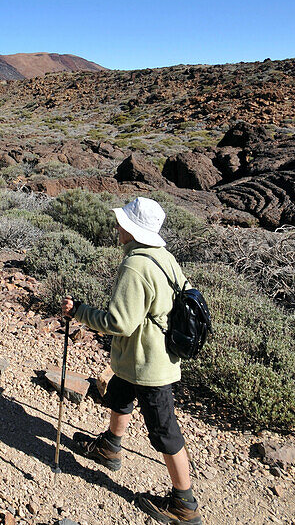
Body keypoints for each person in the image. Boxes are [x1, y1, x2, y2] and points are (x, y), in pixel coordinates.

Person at [61, 197, 201, 525]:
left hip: (149, 364)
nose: (117, 226)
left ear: (133, 229)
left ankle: (184, 504)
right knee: (120, 394)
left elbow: (119, 323)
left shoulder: (135, 265)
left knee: (165, 431)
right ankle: (110, 447)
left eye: (122, 222)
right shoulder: (164, 258)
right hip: (142, 356)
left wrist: (80, 312)